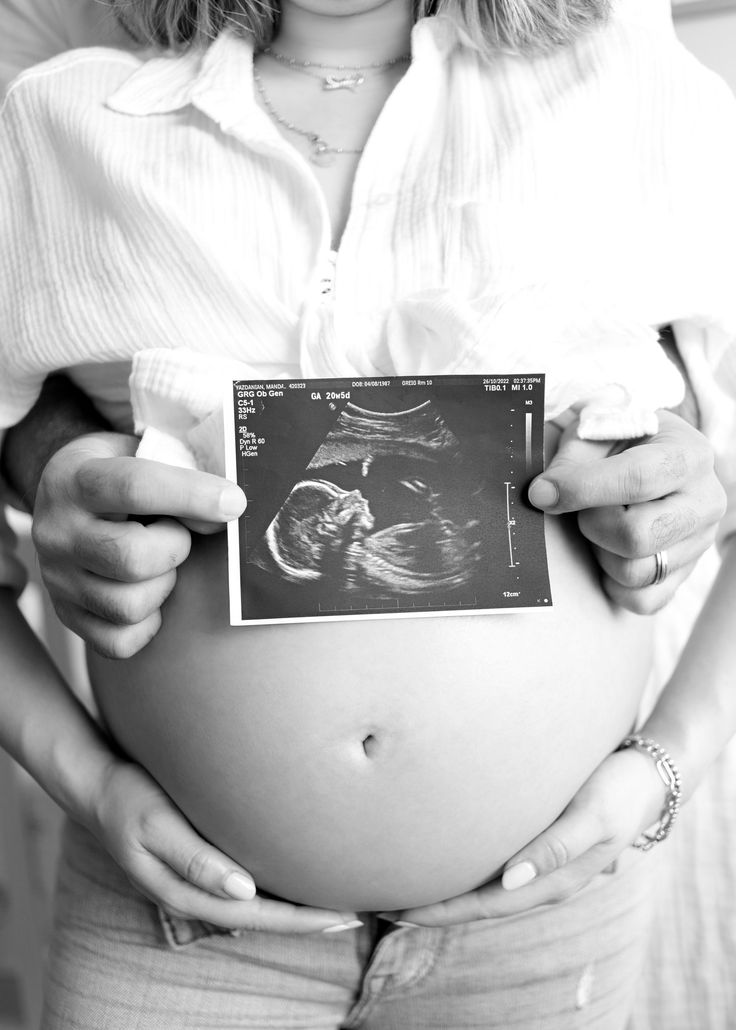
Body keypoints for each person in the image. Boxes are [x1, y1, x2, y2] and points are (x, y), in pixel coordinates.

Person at [0, 0, 735, 1027]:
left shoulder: (627, 83)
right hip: (174, 917)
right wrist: (86, 783)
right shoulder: (67, 117)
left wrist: (663, 770)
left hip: (548, 918)